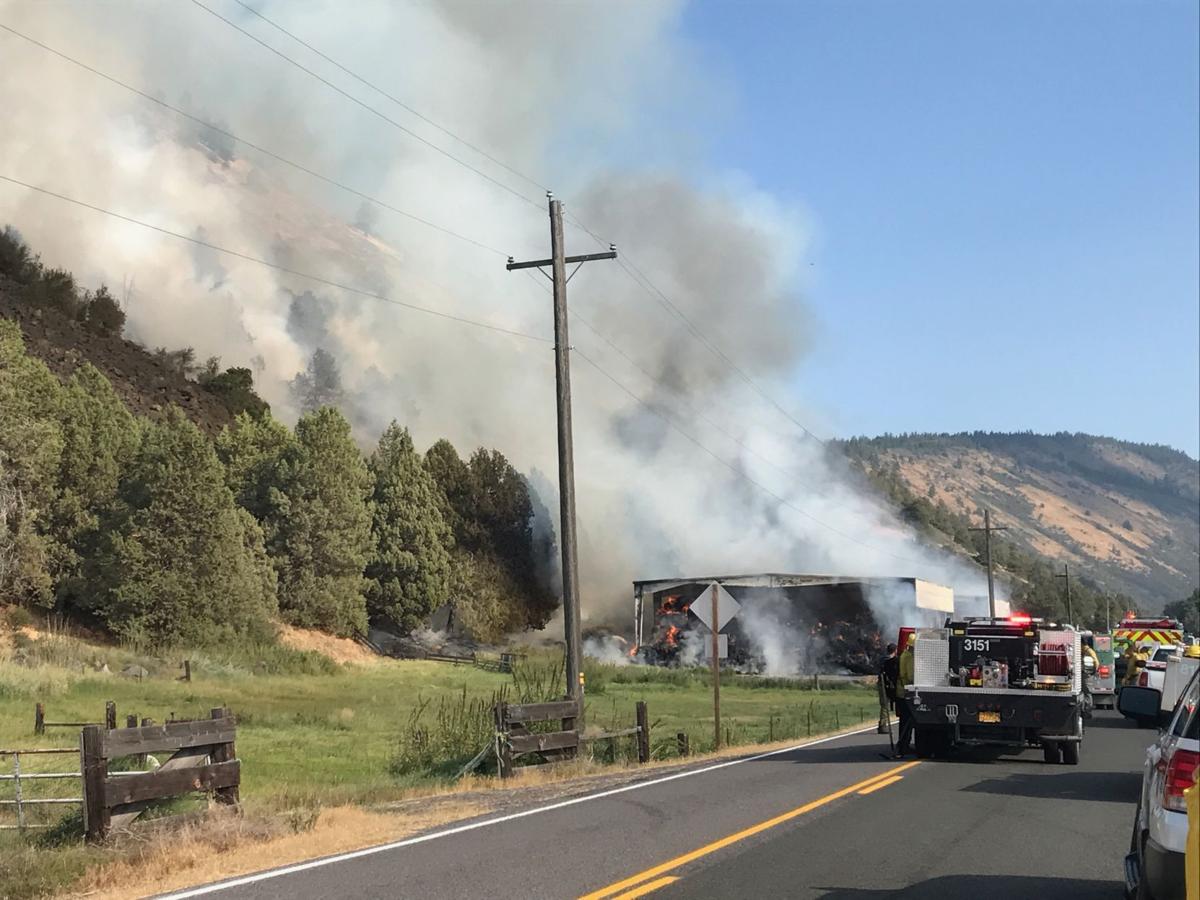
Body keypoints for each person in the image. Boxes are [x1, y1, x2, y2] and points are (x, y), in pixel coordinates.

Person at [894, 634, 915, 757]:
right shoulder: (909, 657)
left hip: (901, 691)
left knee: (904, 721)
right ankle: (903, 746)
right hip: (906, 692)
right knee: (907, 721)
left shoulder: (904, 655)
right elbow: (911, 676)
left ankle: (903, 745)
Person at [880, 643, 899, 712]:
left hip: (883, 683)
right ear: (895, 650)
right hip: (889, 683)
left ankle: (883, 721)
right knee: (885, 705)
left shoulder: (882, 659)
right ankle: (883, 722)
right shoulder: (894, 661)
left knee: (884, 704)